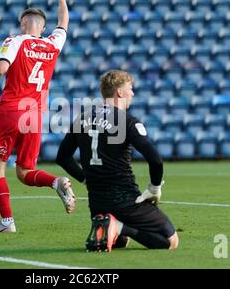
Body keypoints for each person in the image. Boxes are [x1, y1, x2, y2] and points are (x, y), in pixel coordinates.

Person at [0, 0, 75, 233]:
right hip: (35, 114)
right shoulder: (52, 44)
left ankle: (7, 222)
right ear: (42, 27)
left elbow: (0, 69)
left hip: (10, 110)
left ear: (23, 24)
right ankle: (57, 182)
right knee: (24, 170)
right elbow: (63, 23)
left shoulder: (15, 40)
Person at [55, 70, 179, 252]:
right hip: (125, 199)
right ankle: (117, 226)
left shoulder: (82, 118)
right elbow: (155, 159)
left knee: (121, 242)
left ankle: (111, 226)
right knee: (170, 242)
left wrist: (86, 179)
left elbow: (62, 158)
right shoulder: (127, 121)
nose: (133, 93)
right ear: (119, 92)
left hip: (97, 203)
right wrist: (154, 189)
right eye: (130, 88)